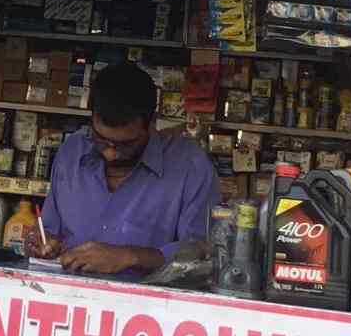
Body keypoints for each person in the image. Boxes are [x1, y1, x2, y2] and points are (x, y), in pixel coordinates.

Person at [28, 62, 218, 276]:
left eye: (126, 144)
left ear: (151, 123)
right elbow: (49, 231)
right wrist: (42, 242)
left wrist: (130, 257)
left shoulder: (190, 167)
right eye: (101, 139)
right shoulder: (71, 153)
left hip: (147, 297)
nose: (110, 154)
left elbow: (203, 254)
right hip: (67, 293)